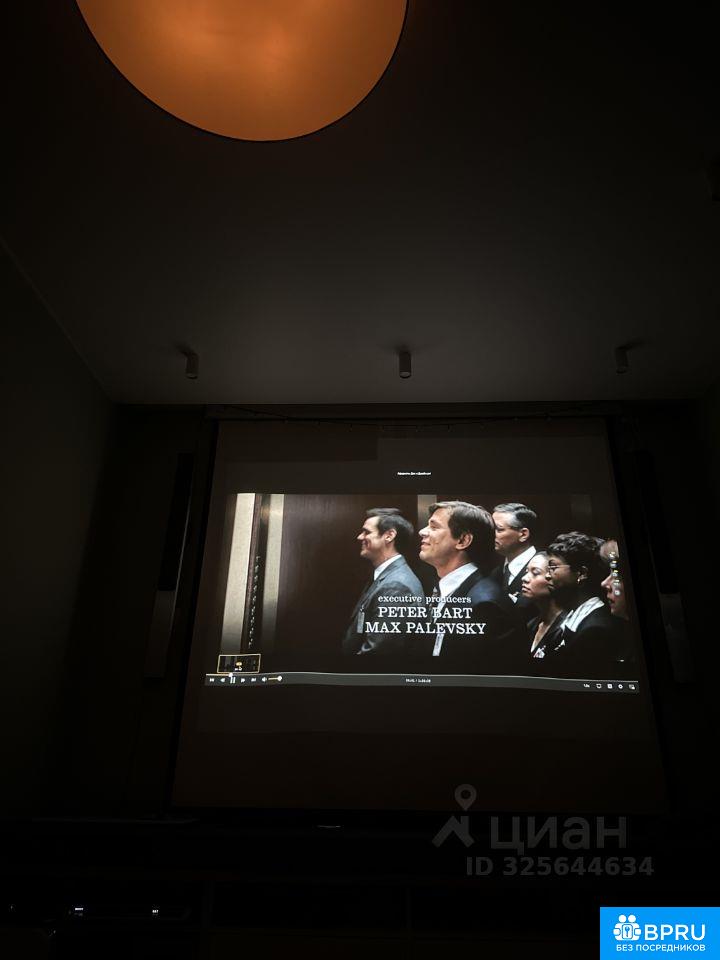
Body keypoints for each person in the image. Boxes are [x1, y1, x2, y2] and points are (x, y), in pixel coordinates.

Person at [417, 500, 521, 671]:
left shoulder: (485, 604)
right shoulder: (443, 590)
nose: (422, 532)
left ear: (463, 540)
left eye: (434, 527)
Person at [342, 507, 424, 655]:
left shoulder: (397, 587)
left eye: (367, 532)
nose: (360, 537)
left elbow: (377, 653)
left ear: (389, 536)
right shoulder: (387, 576)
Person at [543, 531, 623, 671]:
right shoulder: (575, 614)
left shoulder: (596, 629)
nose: (547, 576)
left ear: (581, 573)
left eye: (553, 567)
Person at [491, 502, 539, 611]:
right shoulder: (495, 573)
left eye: (499, 529)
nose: (491, 534)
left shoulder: (545, 569)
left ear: (523, 534)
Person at [519, 552, 566, 662]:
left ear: (552, 578)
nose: (524, 578)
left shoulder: (566, 628)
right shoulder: (531, 625)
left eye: (535, 573)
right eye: (526, 571)